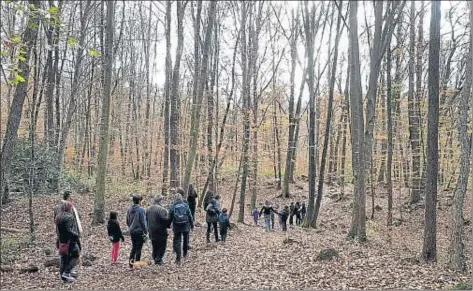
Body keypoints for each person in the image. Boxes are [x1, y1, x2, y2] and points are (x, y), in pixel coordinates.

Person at [53, 190, 82, 278]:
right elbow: (60, 223)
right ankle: (64, 273)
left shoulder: (70, 207)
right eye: (70, 197)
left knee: (69, 253)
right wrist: (74, 235)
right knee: (66, 254)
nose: (72, 199)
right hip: (67, 235)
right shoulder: (61, 208)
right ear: (67, 197)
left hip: (69, 234)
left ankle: (67, 272)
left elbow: (75, 221)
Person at [169, 192, 194, 265]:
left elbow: (170, 216)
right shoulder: (185, 205)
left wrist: (168, 225)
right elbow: (190, 216)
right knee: (185, 239)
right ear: (181, 198)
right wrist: (192, 225)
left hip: (176, 226)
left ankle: (178, 258)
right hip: (186, 225)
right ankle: (185, 254)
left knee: (177, 241)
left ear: (175, 198)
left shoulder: (173, 206)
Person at [146, 195, 171, 265]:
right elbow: (165, 220)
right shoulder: (161, 209)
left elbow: (146, 219)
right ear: (160, 201)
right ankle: (158, 259)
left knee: (154, 245)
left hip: (151, 230)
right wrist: (169, 222)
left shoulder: (148, 209)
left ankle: (155, 257)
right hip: (160, 231)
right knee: (162, 245)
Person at [126, 194, 148, 269]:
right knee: (138, 248)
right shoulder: (141, 210)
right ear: (139, 201)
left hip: (132, 231)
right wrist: (146, 231)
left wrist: (130, 228)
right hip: (139, 231)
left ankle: (130, 264)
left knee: (134, 247)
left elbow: (127, 221)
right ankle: (137, 264)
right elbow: (143, 222)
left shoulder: (129, 209)